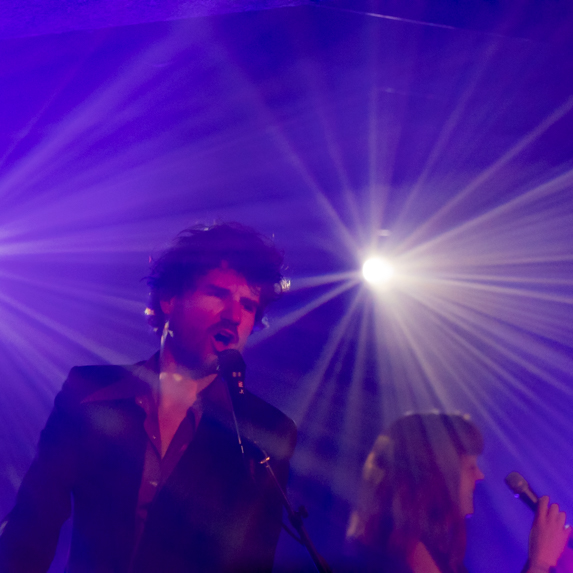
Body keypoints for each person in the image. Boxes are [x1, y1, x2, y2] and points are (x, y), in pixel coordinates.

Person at [0, 223, 297, 573]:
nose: (233, 316)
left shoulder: (265, 430)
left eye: (248, 305)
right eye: (218, 294)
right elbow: (33, 522)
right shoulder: (90, 391)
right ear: (170, 300)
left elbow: (253, 561)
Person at [346, 412, 569, 573]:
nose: (479, 475)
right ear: (436, 473)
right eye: (470, 466)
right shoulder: (404, 550)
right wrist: (539, 563)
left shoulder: (432, 549)